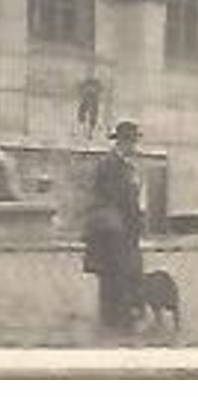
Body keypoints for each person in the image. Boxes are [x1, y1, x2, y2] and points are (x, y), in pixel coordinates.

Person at [83, 119, 146, 331]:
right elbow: (113, 196)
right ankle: (116, 318)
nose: (134, 147)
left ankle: (116, 316)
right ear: (123, 142)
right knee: (114, 273)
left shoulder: (125, 165)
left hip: (123, 227)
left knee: (119, 272)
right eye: (132, 142)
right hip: (112, 229)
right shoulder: (110, 164)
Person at [76, 74, 103, 140]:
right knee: (83, 117)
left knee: (92, 117)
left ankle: (89, 132)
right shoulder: (87, 87)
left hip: (92, 102)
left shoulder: (95, 85)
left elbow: (100, 90)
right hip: (87, 101)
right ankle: (85, 132)